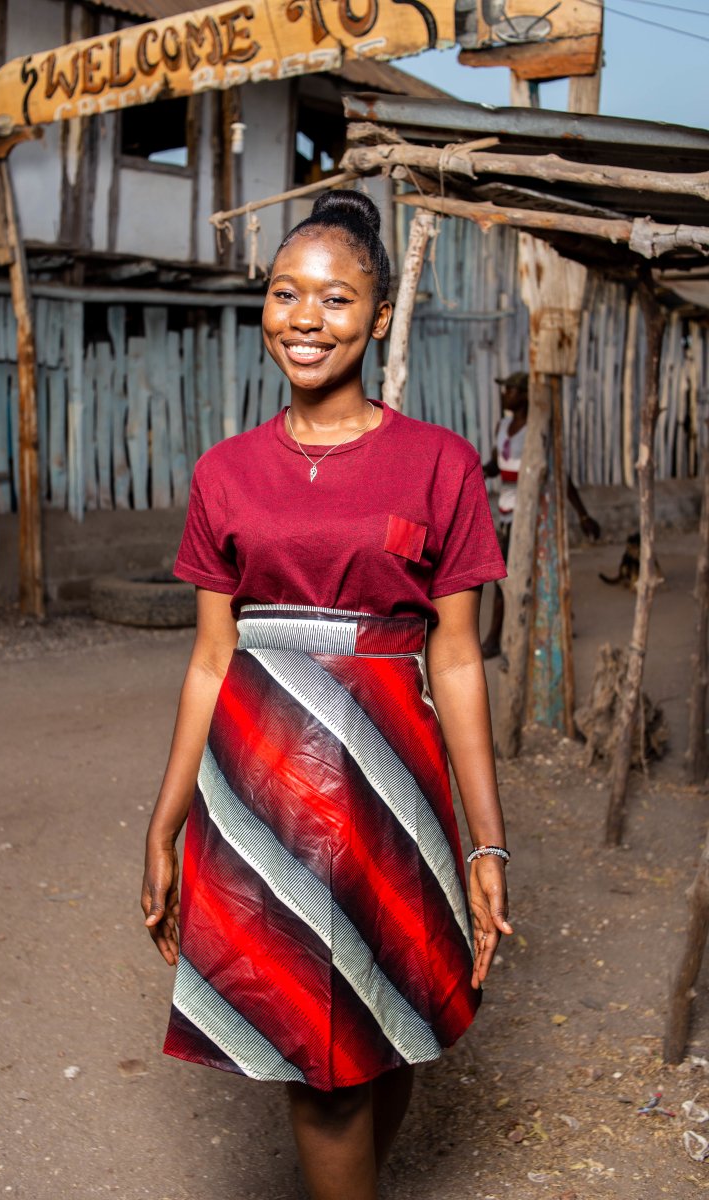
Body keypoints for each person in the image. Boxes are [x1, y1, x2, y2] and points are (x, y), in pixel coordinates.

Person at [141, 190, 512, 1200]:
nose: (306, 318)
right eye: (284, 293)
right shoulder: (225, 474)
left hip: (394, 788)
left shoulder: (438, 465)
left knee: (384, 1029)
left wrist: (484, 840)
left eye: (336, 298)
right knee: (322, 1058)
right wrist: (167, 819)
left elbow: (458, 662)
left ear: (379, 317)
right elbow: (212, 659)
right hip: (258, 791)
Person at [481, 372, 601, 660]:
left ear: (524, 395)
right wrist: (478, 471)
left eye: (510, 389)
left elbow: (560, 476)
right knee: (510, 576)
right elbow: (498, 464)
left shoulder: (536, 431)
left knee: (526, 574)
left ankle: (496, 637)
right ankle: (545, 624)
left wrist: (583, 515)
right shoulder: (504, 425)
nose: (504, 393)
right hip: (506, 513)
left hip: (531, 516)